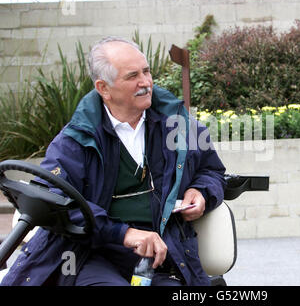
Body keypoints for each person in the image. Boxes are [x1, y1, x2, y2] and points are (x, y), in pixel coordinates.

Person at [1, 37, 226, 286]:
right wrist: (125, 234)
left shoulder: (181, 126)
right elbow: (53, 200)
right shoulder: (74, 139)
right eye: (132, 76)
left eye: (146, 71)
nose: (146, 83)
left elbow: (212, 170)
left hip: (164, 254)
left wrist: (201, 190)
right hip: (90, 256)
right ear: (103, 88)